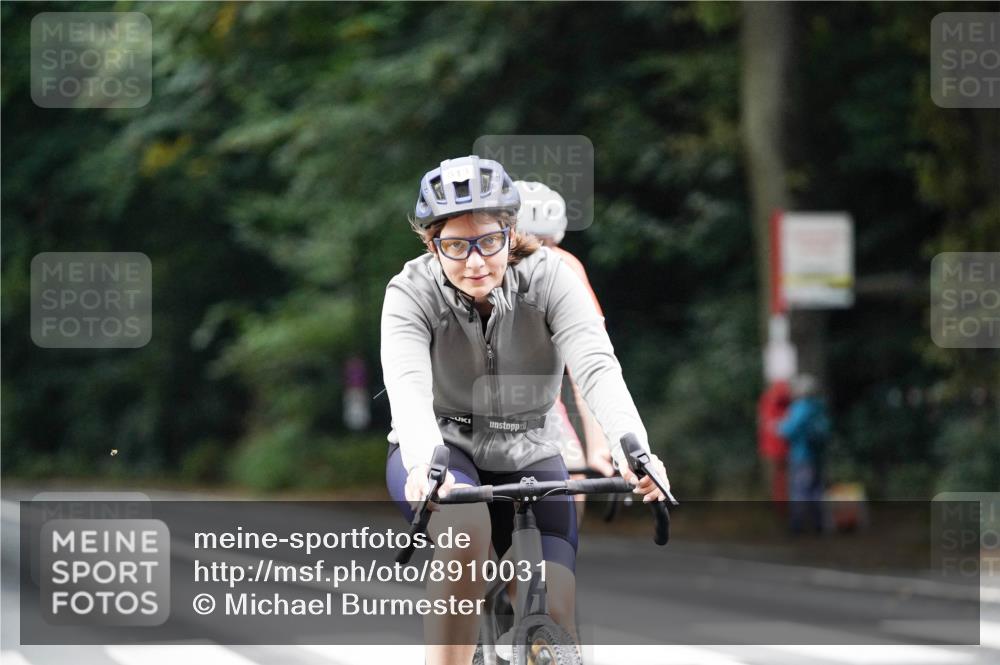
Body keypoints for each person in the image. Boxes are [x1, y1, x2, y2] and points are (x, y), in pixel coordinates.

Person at [382, 155, 670, 665]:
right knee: (465, 536)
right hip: (444, 451)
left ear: (511, 233)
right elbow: (406, 388)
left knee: (555, 606)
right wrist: (426, 465)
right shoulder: (410, 292)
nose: (475, 262)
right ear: (431, 244)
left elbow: (597, 367)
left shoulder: (552, 277)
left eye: (489, 241)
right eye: (455, 245)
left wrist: (634, 449)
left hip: (531, 446)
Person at [513, 180, 616, 526]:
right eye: (529, 244)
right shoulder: (482, 269)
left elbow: (588, 368)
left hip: (544, 413)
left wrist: (599, 447)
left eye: (548, 245)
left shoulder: (567, 269)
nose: (540, 257)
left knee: (572, 491)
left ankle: (549, 563)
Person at [778, 374, 830, 534]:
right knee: (816, 490)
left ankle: (797, 525)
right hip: (817, 456)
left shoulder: (801, 407)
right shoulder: (819, 406)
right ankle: (819, 524)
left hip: (801, 456)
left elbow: (787, 430)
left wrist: (779, 426)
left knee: (800, 491)